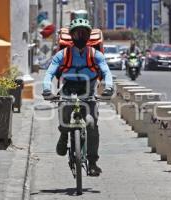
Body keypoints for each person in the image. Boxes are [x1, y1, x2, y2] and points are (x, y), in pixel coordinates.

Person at [42, 18, 113, 176]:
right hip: (68, 89)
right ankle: (63, 134)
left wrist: (108, 88)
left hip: (88, 90)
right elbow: (49, 73)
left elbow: (107, 72)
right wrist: (47, 89)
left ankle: (93, 162)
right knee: (65, 118)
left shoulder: (96, 55)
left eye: (84, 33)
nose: (80, 36)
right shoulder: (63, 54)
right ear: (72, 36)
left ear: (89, 36)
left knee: (92, 125)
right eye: (76, 33)